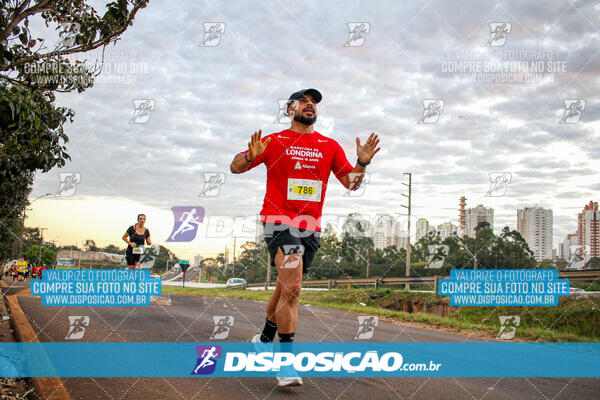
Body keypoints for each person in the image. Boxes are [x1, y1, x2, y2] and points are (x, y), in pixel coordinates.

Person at [230, 88, 381, 387]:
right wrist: (250, 155)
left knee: (286, 287)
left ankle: (263, 340)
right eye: (303, 101)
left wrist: (362, 164)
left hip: (311, 227)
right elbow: (235, 167)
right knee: (294, 288)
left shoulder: (329, 145)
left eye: (313, 102)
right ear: (290, 110)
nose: (310, 104)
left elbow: (351, 184)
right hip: (278, 221)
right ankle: (285, 363)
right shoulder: (274, 141)